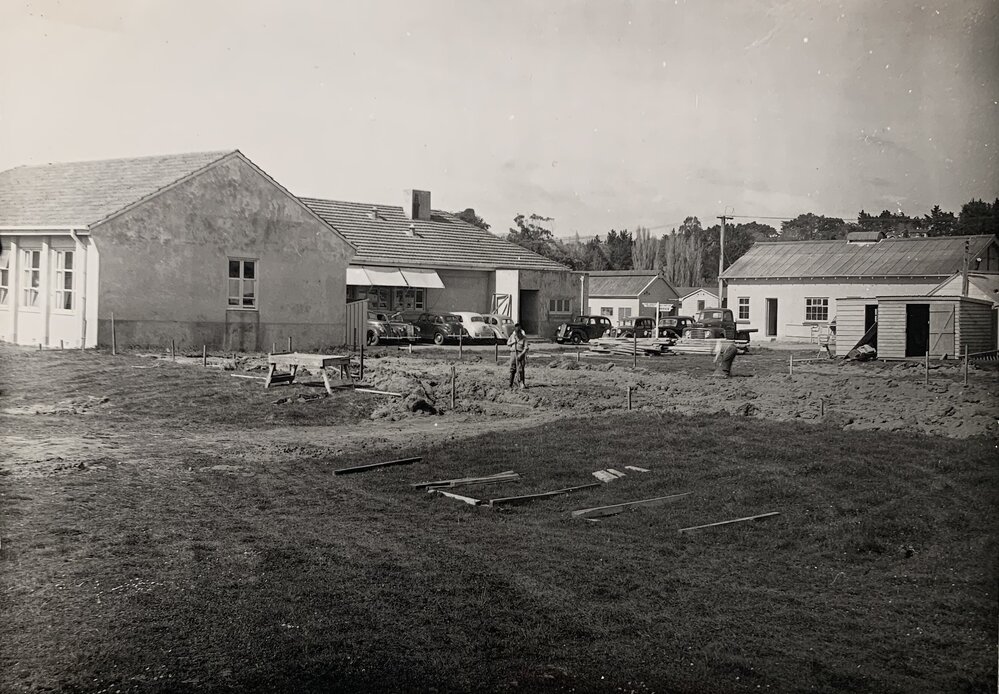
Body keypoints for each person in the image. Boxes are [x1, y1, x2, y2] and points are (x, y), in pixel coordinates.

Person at [507, 323, 529, 389]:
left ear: (520, 332)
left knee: (520, 370)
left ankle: (522, 383)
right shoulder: (512, 336)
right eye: (516, 333)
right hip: (513, 354)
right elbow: (508, 343)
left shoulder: (524, 338)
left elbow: (526, 348)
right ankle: (510, 384)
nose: (517, 335)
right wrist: (513, 342)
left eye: (518, 333)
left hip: (520, 354)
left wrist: (521, 355)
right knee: (512, 369)